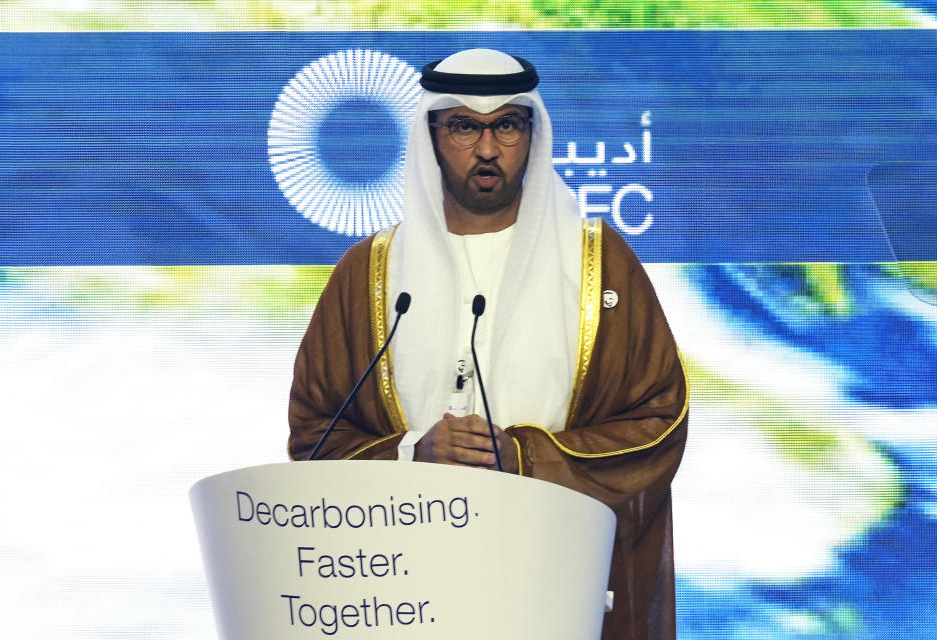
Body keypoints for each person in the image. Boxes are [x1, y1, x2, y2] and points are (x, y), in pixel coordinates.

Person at [288, 48, 688, 639]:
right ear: (431, 135)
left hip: (552, 585)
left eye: (506, 125)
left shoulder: (599, 266)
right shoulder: (369, 273)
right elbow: (313, 437)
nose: (486, 148)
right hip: (403, 592)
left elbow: (660, 421)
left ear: (531, 132)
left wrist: (525, 459)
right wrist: (411, 456)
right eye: (463, 127)